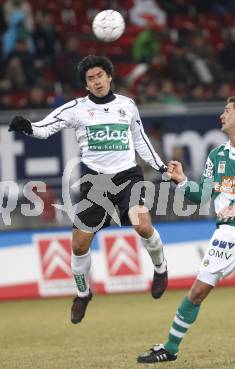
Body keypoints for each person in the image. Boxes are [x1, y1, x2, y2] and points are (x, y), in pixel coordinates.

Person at [8, 55, 169, 324]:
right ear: (86, 84)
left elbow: (141, 141)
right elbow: (45, 128)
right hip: (94, 181)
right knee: (80, 244)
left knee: (141, 224)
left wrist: (162, 168)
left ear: (109, 77)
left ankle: (161, 269)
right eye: (90, 79)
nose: (97, 81)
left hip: (128, 175)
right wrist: (28, 127)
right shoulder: (76, 108)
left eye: (100, 76)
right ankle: (83, 294)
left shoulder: (127, 105)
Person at [137, 96, 235, 363]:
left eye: (227, 111)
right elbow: (202, 195)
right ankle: (170, 348)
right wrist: (181, 181)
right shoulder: (217, 155)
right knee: (198, 291)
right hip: (228, 229)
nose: (221, 115)